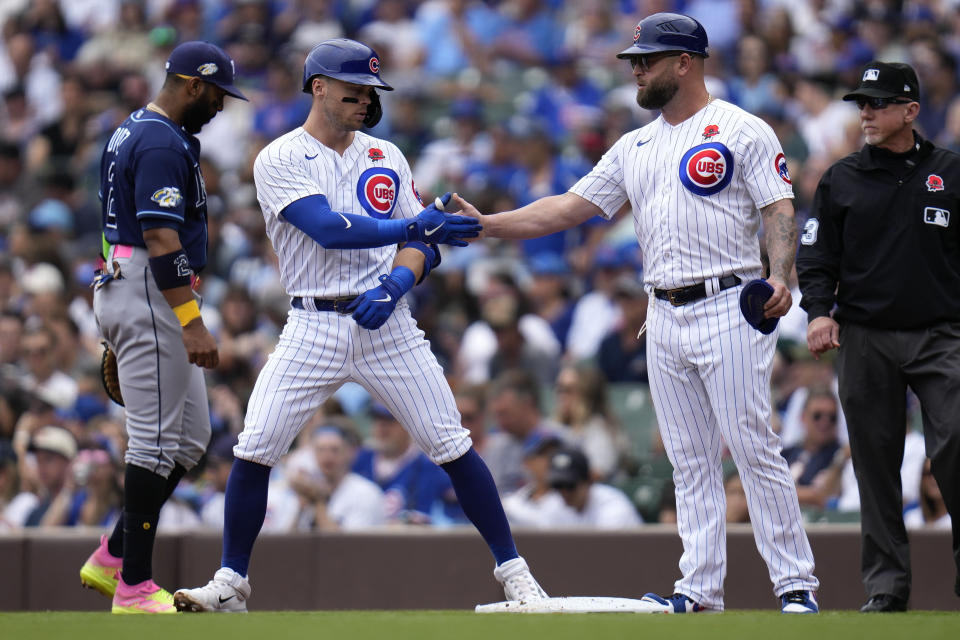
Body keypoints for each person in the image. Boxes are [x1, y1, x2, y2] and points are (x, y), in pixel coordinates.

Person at [454, 13, 819, 613]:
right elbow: (570, 207)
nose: (637, 69)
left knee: (752, 445)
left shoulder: (741, 128)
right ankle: (700, 589)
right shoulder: (636, 144)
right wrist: (491, 224)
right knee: (688, 459)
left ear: (686, 62)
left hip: (729, 298)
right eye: (634, 60)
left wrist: (781, 274)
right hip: (663, 308)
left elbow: (779, 207)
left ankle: (795, 584)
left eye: (647, 59)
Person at [173, 39, 546, 613]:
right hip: (313, 319)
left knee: (452, 444)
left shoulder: (385, 155)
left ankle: (517, 578)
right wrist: (416, 227)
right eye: (353, 88)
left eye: (371, 90)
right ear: (318, 86)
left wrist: (398, 281)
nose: (365, 99)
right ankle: (231, 583)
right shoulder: (280, 157)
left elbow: (421, 244)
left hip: (386, 320)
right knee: (254, 448)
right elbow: (329, 229)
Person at [77, 41, 248, 614]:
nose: (223, 105)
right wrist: (191, 321)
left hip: (136, 281)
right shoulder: (156, 140)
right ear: (194, 85)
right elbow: (160, 237)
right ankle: (134, 586)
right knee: (152, 443)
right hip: (150, 286)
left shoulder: (139, 128)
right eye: (219, 93)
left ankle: (113, 556)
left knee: (192, 436)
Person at [797, 60, 960, 613]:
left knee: (957, 440)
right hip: (865, 335)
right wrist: (819, 312)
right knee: (874, 462)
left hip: (941, 333)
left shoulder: (950, 173)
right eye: (860, 103)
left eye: (877, 103)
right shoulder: (841, 179)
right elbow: (816, 256)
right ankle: (887, 589)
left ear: (910, 111)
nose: (864, 112)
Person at [545, 447, 642, 529]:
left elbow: (601, 548)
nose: (564, 492)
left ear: (589, 481)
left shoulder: (613, 506)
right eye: (558, 485)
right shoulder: (554, 503)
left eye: (570, 486)